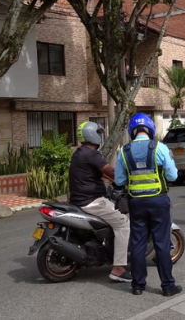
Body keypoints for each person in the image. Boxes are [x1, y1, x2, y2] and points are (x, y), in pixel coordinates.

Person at [115, 113, 181, 297]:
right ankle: (168, 286)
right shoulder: (159, 147)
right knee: (161, 244)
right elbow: (173, 176)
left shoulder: (123, 151)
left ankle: (138, 285)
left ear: (132, 131)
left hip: (136, 203)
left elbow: (119, 180)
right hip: (159, 201)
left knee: (137, 244)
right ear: (150, 129)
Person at [68, 121, 132, 283]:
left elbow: (96, 174)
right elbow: (110, 171)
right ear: (92, 135)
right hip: (92, 201)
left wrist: (111, 179)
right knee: (123, 223)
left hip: (79, 199)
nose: (100, 136)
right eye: (98, 132)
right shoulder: (92, 154)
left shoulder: (79, 153)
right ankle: (118, 268)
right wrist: (128, 179)